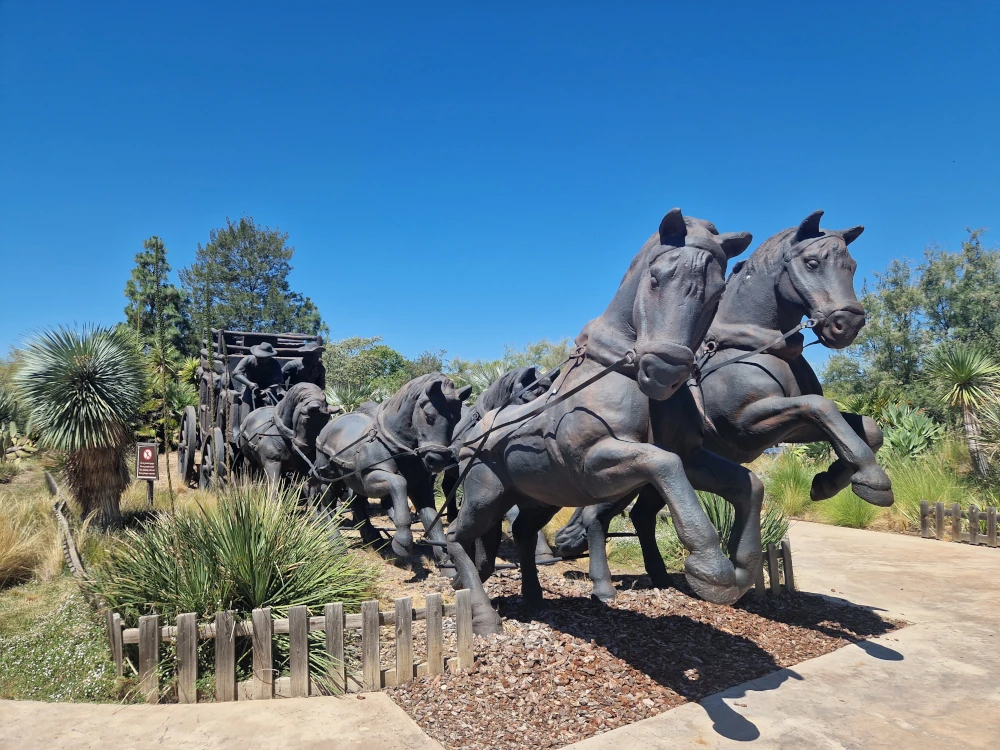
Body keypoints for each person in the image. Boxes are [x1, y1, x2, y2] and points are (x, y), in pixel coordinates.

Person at [231, 341, 284, 410]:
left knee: (273, 405)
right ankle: (244, 419)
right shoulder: (248, 360)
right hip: (250, 388)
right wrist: (249, 384)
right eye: (260, 357)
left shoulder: (275, 364)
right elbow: (236, 373)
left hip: (268, 389)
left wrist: (269, 389)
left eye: (266, 358)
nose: (263, 360)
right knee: (247, 402)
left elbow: (278, 380)